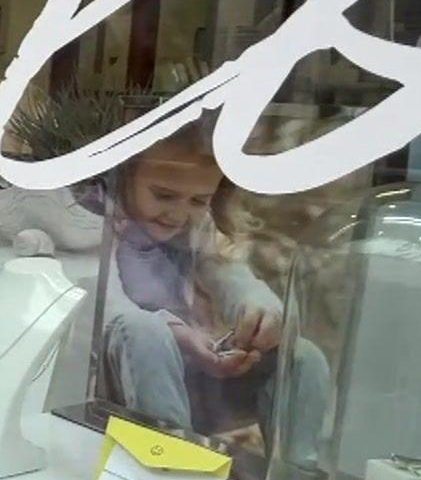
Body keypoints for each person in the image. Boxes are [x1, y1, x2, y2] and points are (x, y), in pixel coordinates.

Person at [101, 121, 327, 462]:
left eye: (198, 200)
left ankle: (294, 474)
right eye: (163, 195)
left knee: (303, 357)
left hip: (192, 380)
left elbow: (228, 272)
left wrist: (258, 310)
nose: (178, 213)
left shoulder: (197, 228)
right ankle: (170, 462)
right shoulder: (99, 223)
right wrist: (180, 333)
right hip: (120, 380)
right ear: (124, 177)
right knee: (146, 331)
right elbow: (106, 304)